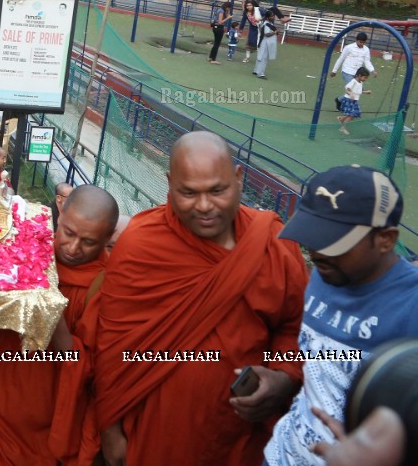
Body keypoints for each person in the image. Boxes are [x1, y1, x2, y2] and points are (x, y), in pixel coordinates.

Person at [93, 130, 307, 466]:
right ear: (169, 184)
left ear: (238, 179)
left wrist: (285, 377)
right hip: (155, 430)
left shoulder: (274, 243)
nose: (205, 207)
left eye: (217, 190)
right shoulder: (140, 245)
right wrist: (110, 428)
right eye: (188, 193)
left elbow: (293, 326)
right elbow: (112, 345)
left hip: (237, 434)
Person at [0, 185, 119, 466]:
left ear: (108, 238)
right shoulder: (24, 249)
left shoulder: (104, 287)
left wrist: (51, 310)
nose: (73, 248)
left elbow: (90, 369)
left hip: (43, 427)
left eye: (88, 242)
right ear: (59, 214)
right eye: (69, 233)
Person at [263, 165, 418, 466]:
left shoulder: (411, 306)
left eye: (336, 240)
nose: (317, 251)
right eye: (314, 233)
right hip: (281, 455)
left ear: (385, 239)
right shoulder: (328, 273)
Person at [336, 67, 372, 134]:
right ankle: (342, 127)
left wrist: (366, 92)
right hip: (349, 100)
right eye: (365, 77)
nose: (365, 79)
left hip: (355, 101)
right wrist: (351, 93)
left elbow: (358, 91)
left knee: (353, 115)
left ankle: (342, 118)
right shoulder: (353, 81)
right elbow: (347, 89)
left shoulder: (360, 83)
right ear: (359, 75)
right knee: (351, 115)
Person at [253, 8, 281, 79]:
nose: (273, 17)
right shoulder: (266, 24)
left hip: (263, 41)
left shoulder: (265, 22)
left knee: (260, 56)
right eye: (272, 16)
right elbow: (267, 34)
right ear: (268, 17)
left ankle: (256, 70)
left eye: (273, 16)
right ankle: (260, 73)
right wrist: (275, 32)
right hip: (265, 42)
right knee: (263, 58)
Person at [240, 0, 262, 64]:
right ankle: (247, 57)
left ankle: (260, 58)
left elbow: (267, 15)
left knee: (260, 44)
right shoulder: (246, 13)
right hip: (253, 29)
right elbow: (243, 20)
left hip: (261, 29)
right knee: (249, 43)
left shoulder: (258, 10)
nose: (249, 7)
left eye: (250, 5)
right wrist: (240, 29)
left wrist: (261, 19)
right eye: (247, 5)